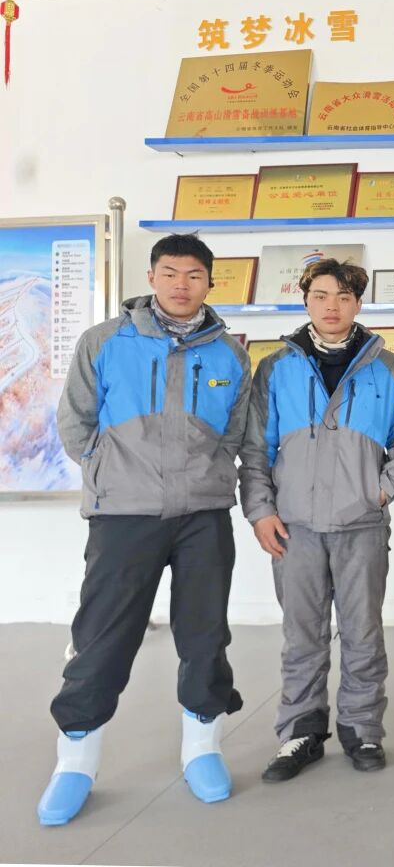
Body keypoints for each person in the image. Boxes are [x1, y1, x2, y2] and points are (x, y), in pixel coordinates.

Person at [39, 234, 251, 826]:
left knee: (205, 634)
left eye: (194, 275)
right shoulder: (104, 341)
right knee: (103, 635)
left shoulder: (230, 354)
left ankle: (202, 749)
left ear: (210, 283)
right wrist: (108, 472)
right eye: (170, 272)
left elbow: (235, 433)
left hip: (203, 515)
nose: (182, 284)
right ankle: (76, 761)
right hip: (123, 514)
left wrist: (209, 476)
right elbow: (76, 422)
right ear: (152, 277)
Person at [239, 259, 394, 782]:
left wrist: (383, 489)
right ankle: (300, 730)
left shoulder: (388, 369)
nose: (332, 307)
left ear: (358, 303)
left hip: (361, 524)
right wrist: (260, 511)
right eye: (320, 296)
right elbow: (255, 448)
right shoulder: (276, 369)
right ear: (305, 301)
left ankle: (362, 728)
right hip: (293, 526)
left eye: (343, 297)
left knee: (363, 633)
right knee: (302, 635)